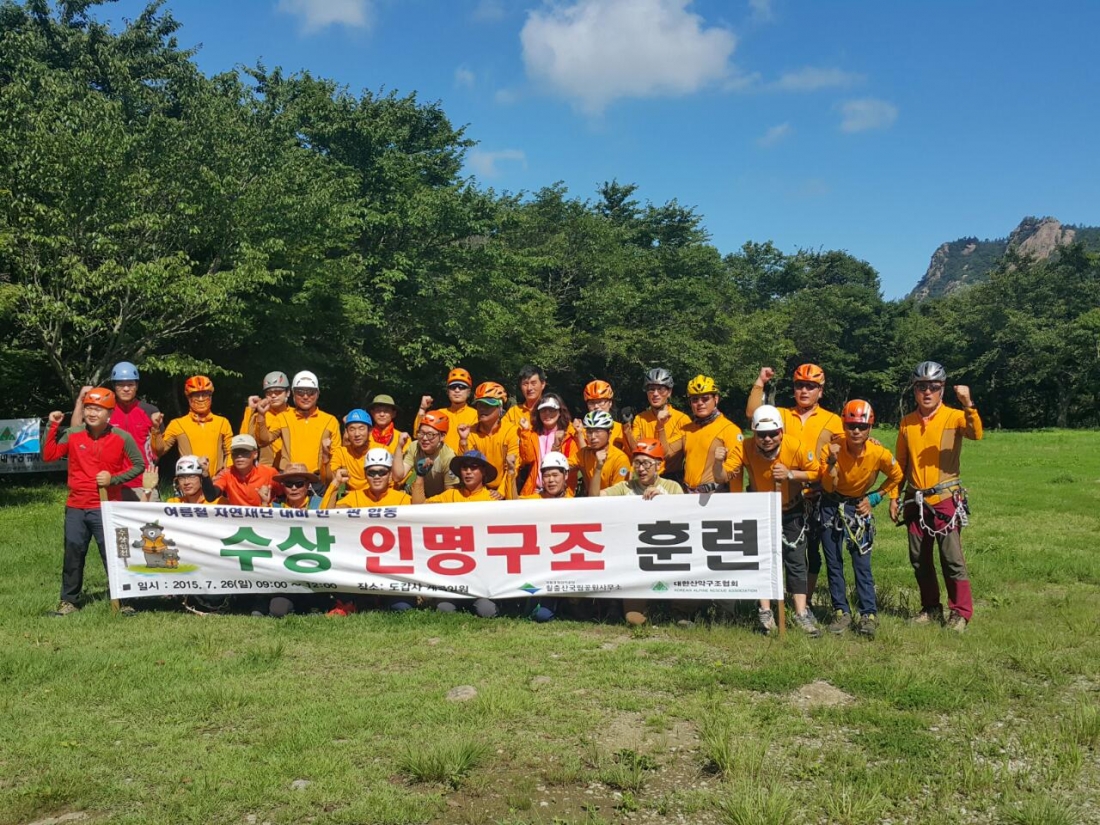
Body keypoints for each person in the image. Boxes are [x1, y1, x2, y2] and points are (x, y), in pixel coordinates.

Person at [891, 361, 983, 632]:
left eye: (933, 386)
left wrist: (968, 404)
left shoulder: (954, 417)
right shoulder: (907, 422)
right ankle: (930, 608)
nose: (927, 392)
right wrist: (895, 496)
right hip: (915, 499)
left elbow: (976, 433)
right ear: (914, 390)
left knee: (951, 558)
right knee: (919, 559)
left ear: (942, 388)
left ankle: (960, 612)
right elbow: (901, 465)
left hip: (945, 498)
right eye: (922, 387)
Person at [746, 363, 843, 606]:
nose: (804, 391)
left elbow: (848, 446)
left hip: (817, 492)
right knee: (784, 551)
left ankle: (804, 602)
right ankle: (780, 600)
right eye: (800, 385)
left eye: (811, 386)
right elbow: (753, 414)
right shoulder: (782, 414)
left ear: (820, 391)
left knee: (812, 552)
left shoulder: (833, 420)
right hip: (786, 494)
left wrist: (870, 441)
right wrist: (760, 382)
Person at [43, 388, 145, 616]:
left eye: (98, 409)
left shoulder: (122, 437)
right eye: (89, 408)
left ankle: (125, 600)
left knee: (115, 554)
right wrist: (52, 426)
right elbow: (49, 455)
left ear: (109, 413)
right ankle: (69, 601)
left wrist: (113, 480)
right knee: (73, 553)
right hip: (76, 506)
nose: (91, 413)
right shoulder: (73, 434)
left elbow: (139, 465)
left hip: (107, 507)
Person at [818, 400, 903, 639]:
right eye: (851, 425)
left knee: (861, 562)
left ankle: (868, 614)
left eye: (862, 426)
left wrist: (876, 497)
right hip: (831, 504)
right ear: (844, 425)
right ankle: (841, 611)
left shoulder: (878, 452)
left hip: (858, 506)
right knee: (833, 561)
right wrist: (832, 463)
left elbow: (897, 475)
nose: (856, 431)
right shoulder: (831, 450)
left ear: (870, 428)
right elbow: (828, 485)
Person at [736, 404, 821, 636]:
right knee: (763, 559)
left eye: (773, 434)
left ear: (781, 432)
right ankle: (765, 610)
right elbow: (730, 468)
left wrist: (791, 474)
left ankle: (801, 612)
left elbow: (817, 472)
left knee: (796, 560)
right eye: (761, 434)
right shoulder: (745, 447)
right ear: (754, 434)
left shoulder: (796, 446)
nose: (767, 439)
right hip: (761, 510)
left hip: (791, 510)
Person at [412, 449, 504, 618]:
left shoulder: (493, 499)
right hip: (454, 573)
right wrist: (420, 476)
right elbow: (418, 509)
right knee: (444, 610)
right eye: (464, 468)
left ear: (483, 472)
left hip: (481, 575)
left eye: (473, 467)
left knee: (487, 612)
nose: (468, 472)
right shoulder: (451, 495)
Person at [601, 439, 684, 626]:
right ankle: (645, 609)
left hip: (668, 555)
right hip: (636, 560)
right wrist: (598, 469)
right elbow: (596, 498)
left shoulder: (672, 487)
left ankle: (679, 611)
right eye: (637, 463)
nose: (641, 468)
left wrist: (664, 501)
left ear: (658, 465)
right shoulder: (625, 487)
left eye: (646, 463)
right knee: (633, 619)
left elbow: (685, 517)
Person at [71, 361, 161, 500]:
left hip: (144, 484)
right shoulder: (105, 410)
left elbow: (159, 450)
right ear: (114, 386)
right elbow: (75, 432)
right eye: (120, 385)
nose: (126, 389)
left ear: (137, 386)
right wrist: (80, 401)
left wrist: (156, 430)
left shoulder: (150, 411)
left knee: (150, 515)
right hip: (110, 484)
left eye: (130, 384)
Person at [256, 371, 341, 485]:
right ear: (293, 393)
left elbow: (336, 455)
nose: (305, 396)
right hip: (289, 479)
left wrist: (330, 476)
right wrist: (261, 415)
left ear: (317, 394)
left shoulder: (330, 420)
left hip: (317, 479)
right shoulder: (283, 417)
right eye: (300, 392)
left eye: (310, 392)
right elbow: (263, 441)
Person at [671, 375, 743, 494]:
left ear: (716, 399)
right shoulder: (686, 429)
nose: (700, 403)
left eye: (705, 398)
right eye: (695, 399)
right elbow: (666, 453)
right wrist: (660, 426)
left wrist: (719, 465)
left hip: (716, 495)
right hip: (688, 494)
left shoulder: (730, 429)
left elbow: (733, 469)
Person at [151, 375, 234, 474]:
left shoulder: (222, 422)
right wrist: (156, 429)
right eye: (196, 395)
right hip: (189, 480)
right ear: (189, 398)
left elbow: (231, 452)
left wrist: (225, 474)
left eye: (204, 394)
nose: (201, 399)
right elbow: (159, 451)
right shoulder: (177, 424)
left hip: (216, 481)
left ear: (210, 396)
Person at [458, 382, 519, 493]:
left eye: (487, 405)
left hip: (506, 488)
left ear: (500, 407)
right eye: (479, 405)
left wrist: (501, 491)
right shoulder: (470, 432)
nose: (482, 409)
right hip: (478, 489)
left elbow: (514, 466)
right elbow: (467, 465)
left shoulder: (511, 431)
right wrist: (463, 441)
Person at [630, 368, 691, 476]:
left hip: (671, 477)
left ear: (669, 392)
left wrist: (660, 426)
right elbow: (634, 450)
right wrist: (626, 428)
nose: (655, 394)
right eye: (651, 389)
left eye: (661, 389)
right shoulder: (640, 418)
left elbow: (666, 454)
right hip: (644, 476)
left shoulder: (682, 420)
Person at [518, 393, 577, 496]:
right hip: (535, 491)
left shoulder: (570, 436)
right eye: (543, 410)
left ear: (560, 412)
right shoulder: (533, 434)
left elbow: (574, 466)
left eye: (552, 410)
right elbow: (527, 459)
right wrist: (525, 432)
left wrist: (557, 446)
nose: (547, 413)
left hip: (562, 494)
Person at [413, 368, 479, 455]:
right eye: (453, 387)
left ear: (469, 392)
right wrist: (422, 409)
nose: (457, 390)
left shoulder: (477, 415)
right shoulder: (439, 414)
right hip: (440, 461)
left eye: (462, 387)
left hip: (466, 461)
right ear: (448, 391)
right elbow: (417, 435)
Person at [398, 411, 458, 499]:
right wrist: (399, 447)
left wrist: (429, 503)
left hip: (438, 499)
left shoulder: (448, 457)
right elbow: (398, 476)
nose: (424, 438)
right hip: (417, 493)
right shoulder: (415, 446)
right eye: (421, 433)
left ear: (442, 436)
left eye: (430, 435)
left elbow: (449, 495)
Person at [325, 448, 412, 508]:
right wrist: (336, 483)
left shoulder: (402, 500)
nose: (377, 476)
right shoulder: (355, 498)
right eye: (372, 472)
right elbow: (326, 515)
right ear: (365, 475)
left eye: (382, 472)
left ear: (390, 474)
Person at [572, 410, 632, 496]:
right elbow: (563, 465)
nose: (593, 437)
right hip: (590, 501)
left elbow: (619, 494)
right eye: (589, 432)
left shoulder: (620, 459)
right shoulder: (584, 453)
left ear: (609, 434)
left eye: (597, 431)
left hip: (611, 501)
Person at [213, 434, 283, 507]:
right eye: (235, 452)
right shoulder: (226, 473)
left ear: (255, 454)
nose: (239, 456)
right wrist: (206, 476)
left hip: (265, 513)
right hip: (236, 514)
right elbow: (212, 495)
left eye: (245, 452)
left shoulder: (269, 473)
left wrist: (268, 503)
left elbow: (284, 495)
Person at [242, 371, 290, 468]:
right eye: (269, 393)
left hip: (291, 467)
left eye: (278, 392)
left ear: (288, 393)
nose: (273, 396)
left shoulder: (295, 415)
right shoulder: (260, 416)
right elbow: (245, 439)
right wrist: (250, 409)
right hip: (267, 468)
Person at [328, 408, 374, 493]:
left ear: (370, 431)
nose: (357, 434)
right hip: (350, 497)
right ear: (347, 432)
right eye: (352, 429)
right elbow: (330, 478)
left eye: (361, 428)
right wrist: (325, 457)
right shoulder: (342, 452)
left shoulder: (380, 450)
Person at [574, 380, 626, 451]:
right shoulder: (580, 430)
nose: (596, 406)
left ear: (610, 403)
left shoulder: (621, 429)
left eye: (600, 402)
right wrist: (579, 433)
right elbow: (583, 456)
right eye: (592, 403)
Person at [503, 365, 547, 430]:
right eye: (525, 384)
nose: (529, 388)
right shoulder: (513, 412)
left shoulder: (550, 411)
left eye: (533, 383)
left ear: (542, 384)